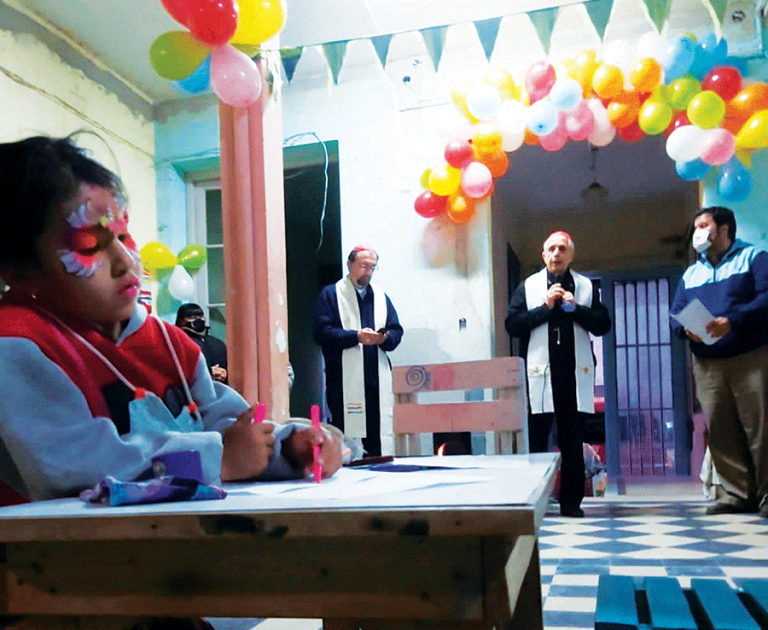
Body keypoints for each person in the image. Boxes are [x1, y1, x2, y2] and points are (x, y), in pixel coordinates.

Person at [0, 135, 343, 505]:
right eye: (88, 246)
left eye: (123, 235)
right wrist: (217, 458)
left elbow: (227, 426)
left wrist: (287, 447)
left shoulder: (171, 343)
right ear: (20, 274)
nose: (125, 260)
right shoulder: (16, 342)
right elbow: (69, 465)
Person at [670, 206, 768, 517]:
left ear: (725, 229)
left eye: (704, 225)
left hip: (749, 357)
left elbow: (766, 297)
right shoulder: (692, 273)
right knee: (721, 430)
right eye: (696, 226)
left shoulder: (753, 257)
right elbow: (676, 313)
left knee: (760, 427)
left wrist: (732, 320)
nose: (697, 232)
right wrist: (685, 330)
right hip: (708, 364)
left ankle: (766, 495)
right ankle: (735, 494)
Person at [505, 231, 611, 517]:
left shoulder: (586, 286)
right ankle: (538, 500)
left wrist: (577, 309)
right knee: (538, 443)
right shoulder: (528, 287)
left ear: (571, 255)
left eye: (562, 249)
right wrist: (546, 307)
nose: (556, 254)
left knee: (572, 443)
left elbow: (603, 324)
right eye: (551, 249)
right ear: (543, 255)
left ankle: (571, 503)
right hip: (539, 376)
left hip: (573, 376)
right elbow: (512, 325)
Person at [313, 244, 403, 456]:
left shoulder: (380, 297)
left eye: (372, 267)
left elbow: (396, 331)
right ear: (349, 264)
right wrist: (355, 337)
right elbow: (321, 333)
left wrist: (384, 338)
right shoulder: (331, 294)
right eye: (363, 266)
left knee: (377, 435)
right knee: (347, 432)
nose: (368, 272)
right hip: (344, 380)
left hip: (376, 381)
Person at [175, 303, 228, 384]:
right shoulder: (178, 342)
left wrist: (223, 373)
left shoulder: (216, 343)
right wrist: (209, 372)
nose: (198, 320)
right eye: (192, 317)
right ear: (181, 321)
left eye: (201, 316)